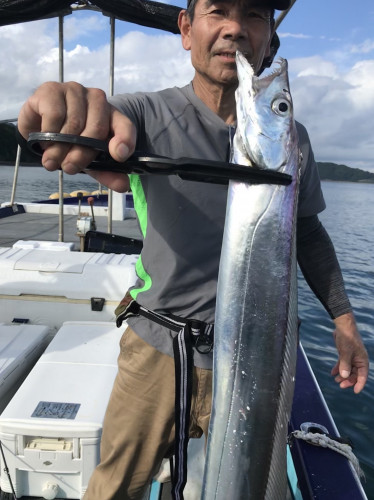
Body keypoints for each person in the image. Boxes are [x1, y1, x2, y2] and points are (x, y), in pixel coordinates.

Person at [18, 0, 369, 498]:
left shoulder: (295, 142)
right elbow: (99, 119)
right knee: (115, 487)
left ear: (269, 36)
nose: (234, 29)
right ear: (186, 29)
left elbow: (306, 232)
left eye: (253, 16)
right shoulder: (145, 113)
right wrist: (66, 106)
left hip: (261, 357)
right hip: (157, 348)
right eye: (217, 11)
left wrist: (344, 320)